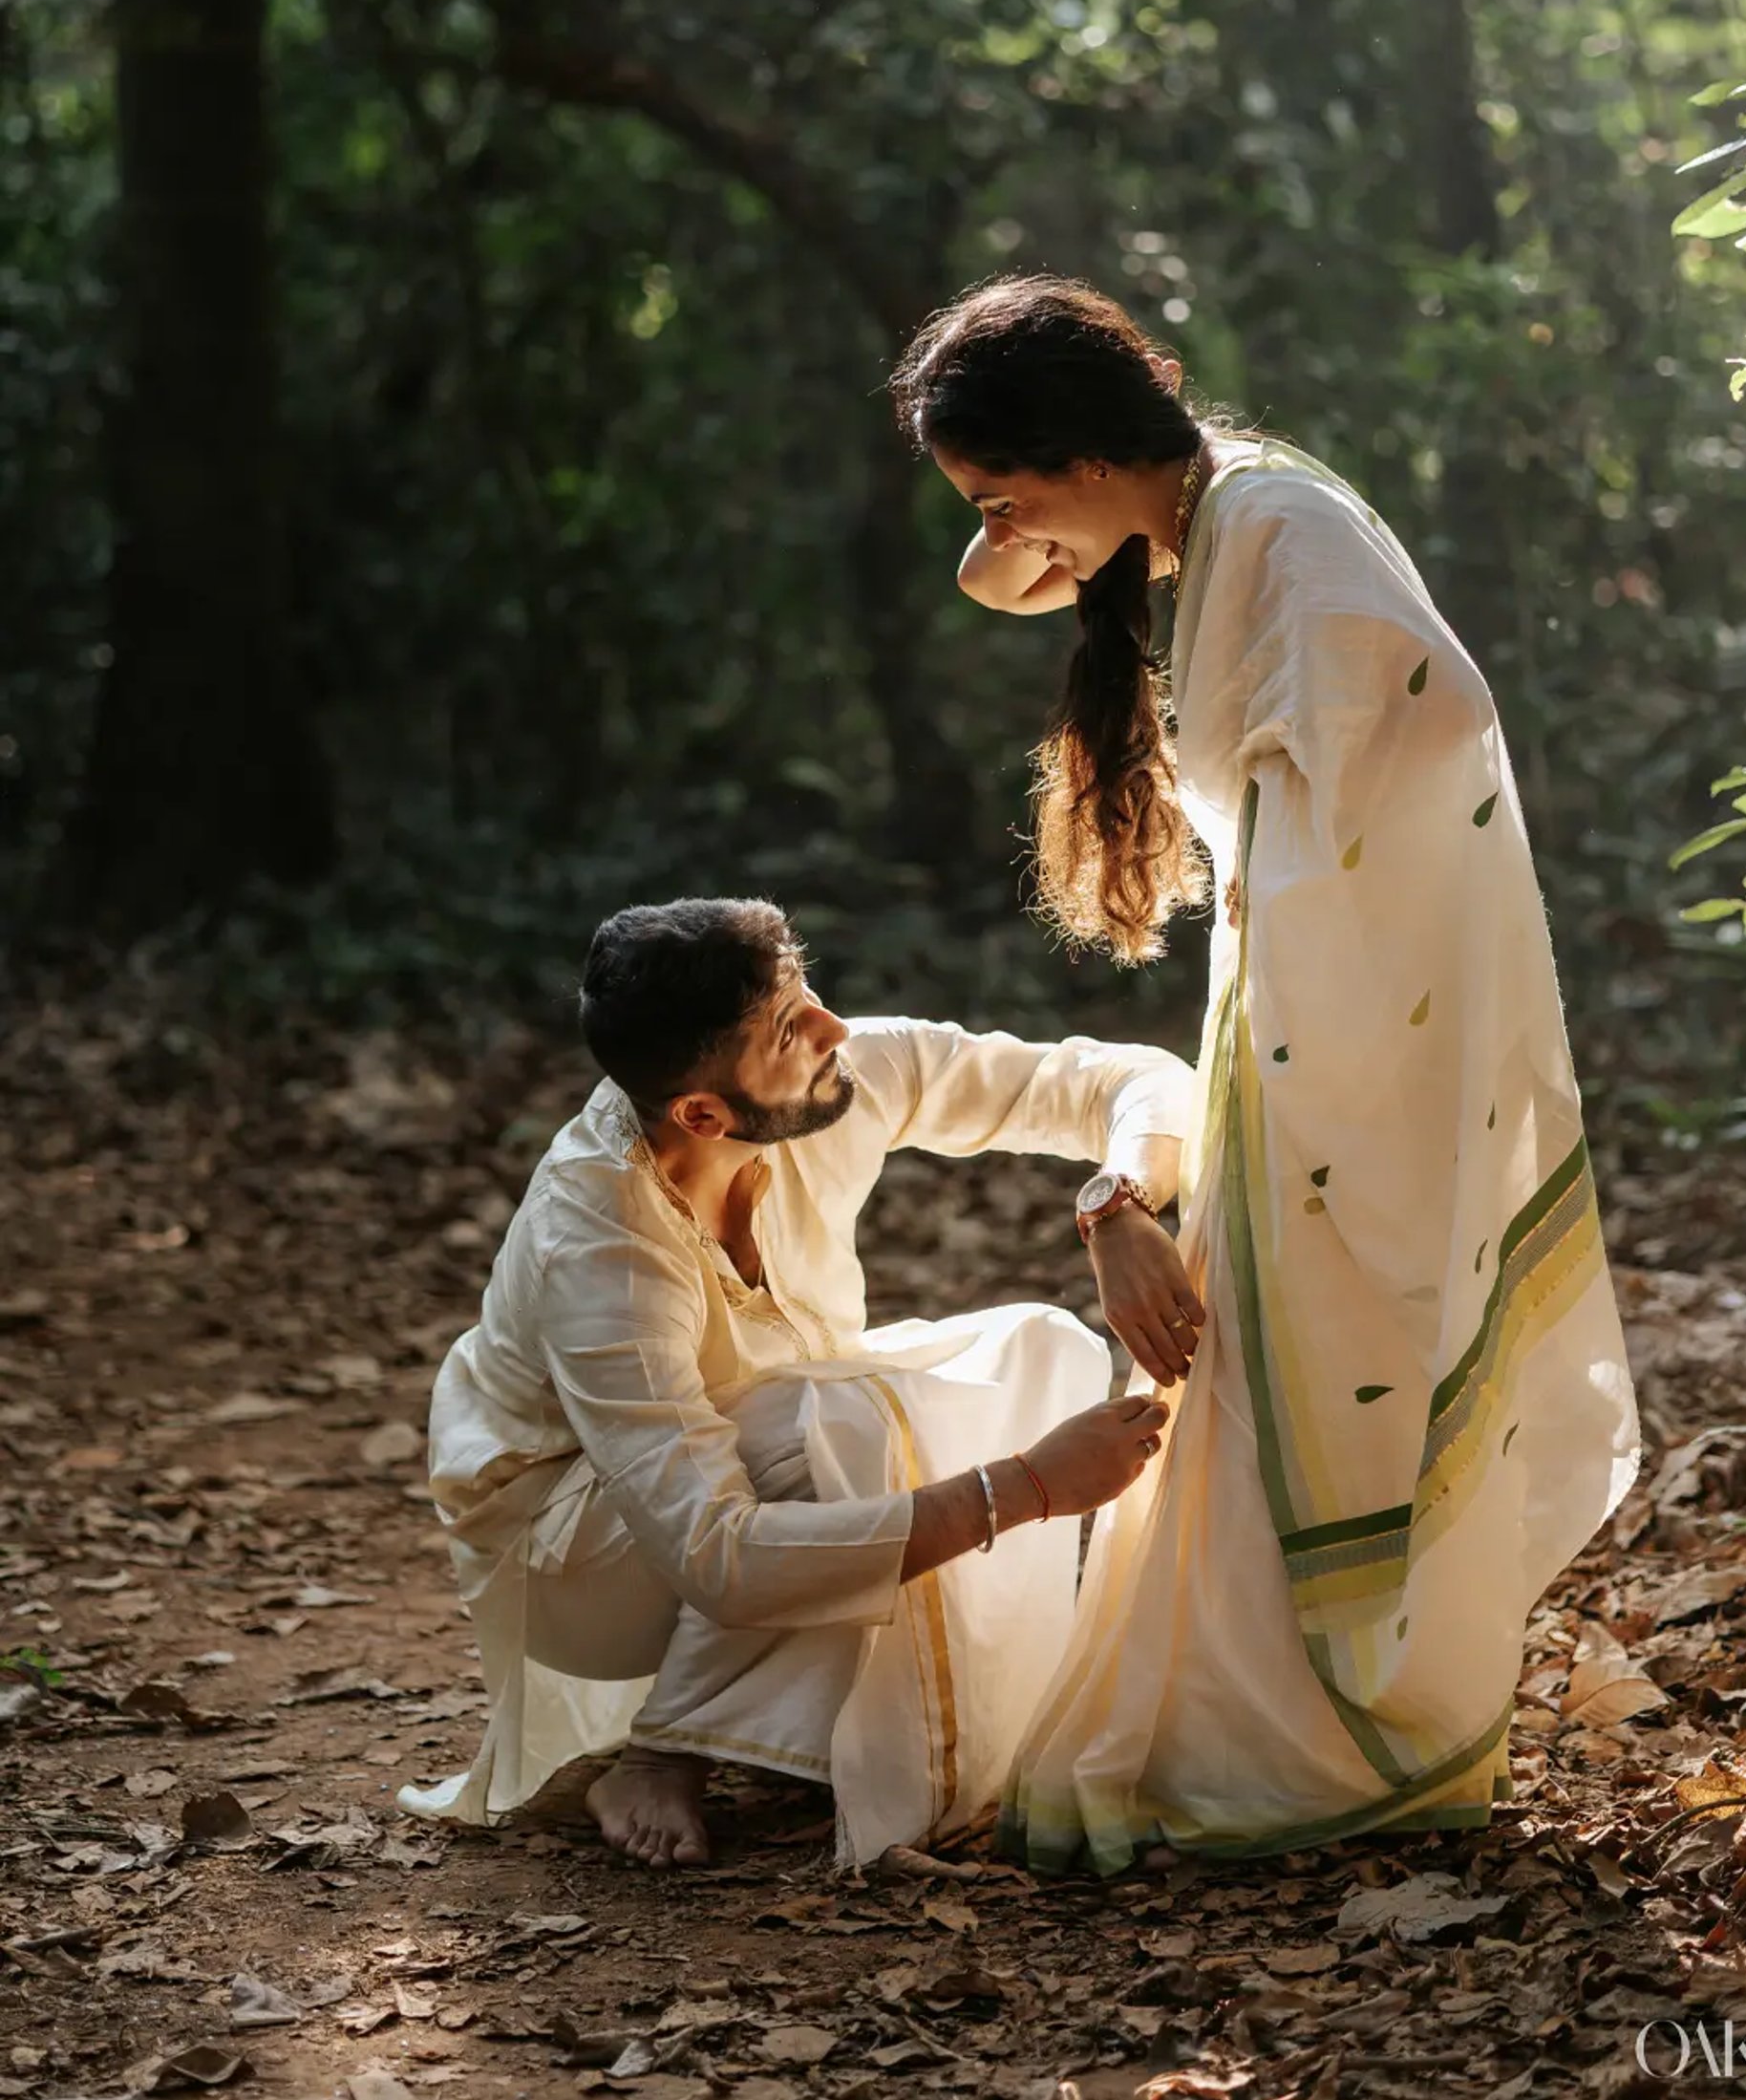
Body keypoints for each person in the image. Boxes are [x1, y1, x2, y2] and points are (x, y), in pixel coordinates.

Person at [888, 275, 1640, 1875]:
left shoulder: (1280, 526)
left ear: (1089, 451)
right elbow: (993, 583)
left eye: (1004, 490)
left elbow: (1435, 713)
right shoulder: (1196, 513)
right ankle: (1278, 1737)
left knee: (1321, 1356)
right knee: (1251, 1367)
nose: (999, 531)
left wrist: (1307, 909)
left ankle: (1345, 1743)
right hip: (1288, 1008)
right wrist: (1008, 507)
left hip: (1359, 1014)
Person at [397, 897, 1198, 1869]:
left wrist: (1118, 1205)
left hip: (741, 1464)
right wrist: (1027, 1488)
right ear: (702, 1114)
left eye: (804, 987)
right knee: (842, 1417)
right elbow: (717, 1556)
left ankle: (801, 1726)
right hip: (568, 1560)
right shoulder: (602, 1244)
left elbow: (1130, 1077)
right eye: (788, 1027)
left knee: (1034, 1348)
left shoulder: (834, 1074)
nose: (833, 1028)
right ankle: (664, 1752)